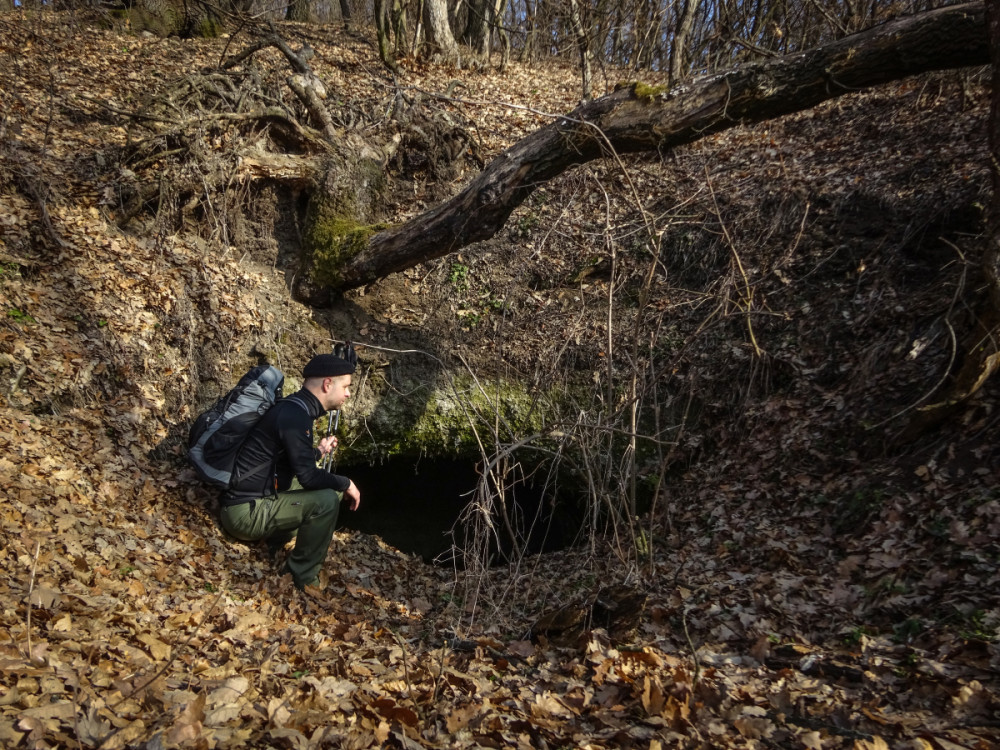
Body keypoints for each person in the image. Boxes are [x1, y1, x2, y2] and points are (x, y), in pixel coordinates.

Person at [219, 345, 361, 590]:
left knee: (331, 488)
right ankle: (303, 577)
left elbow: (286, 461)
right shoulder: (295, 416)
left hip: (254, 499)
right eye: (346, 387)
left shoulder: (294, 408)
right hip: (244, 513)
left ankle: (279, 540)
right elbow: (307, 477)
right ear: (328, 384)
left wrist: (318, 451)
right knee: (327, 497)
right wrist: (347, 482)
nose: (348, 394)